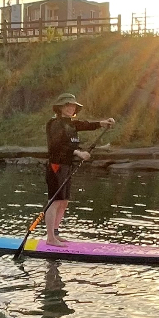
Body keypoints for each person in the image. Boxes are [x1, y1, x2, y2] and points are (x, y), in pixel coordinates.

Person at [44, 93, 114, 246]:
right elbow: (57, 146)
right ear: (60, 108)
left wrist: (102, 123)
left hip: (67, 166)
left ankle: (55, 233)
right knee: (54, 201)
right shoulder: (55, 124)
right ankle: (50, 238)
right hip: (56, 166)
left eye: (73, 105)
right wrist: (78, 152)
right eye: (67, 105)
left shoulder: (71, 124)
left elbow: (86, 124)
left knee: (64, 201)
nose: (71, 108)